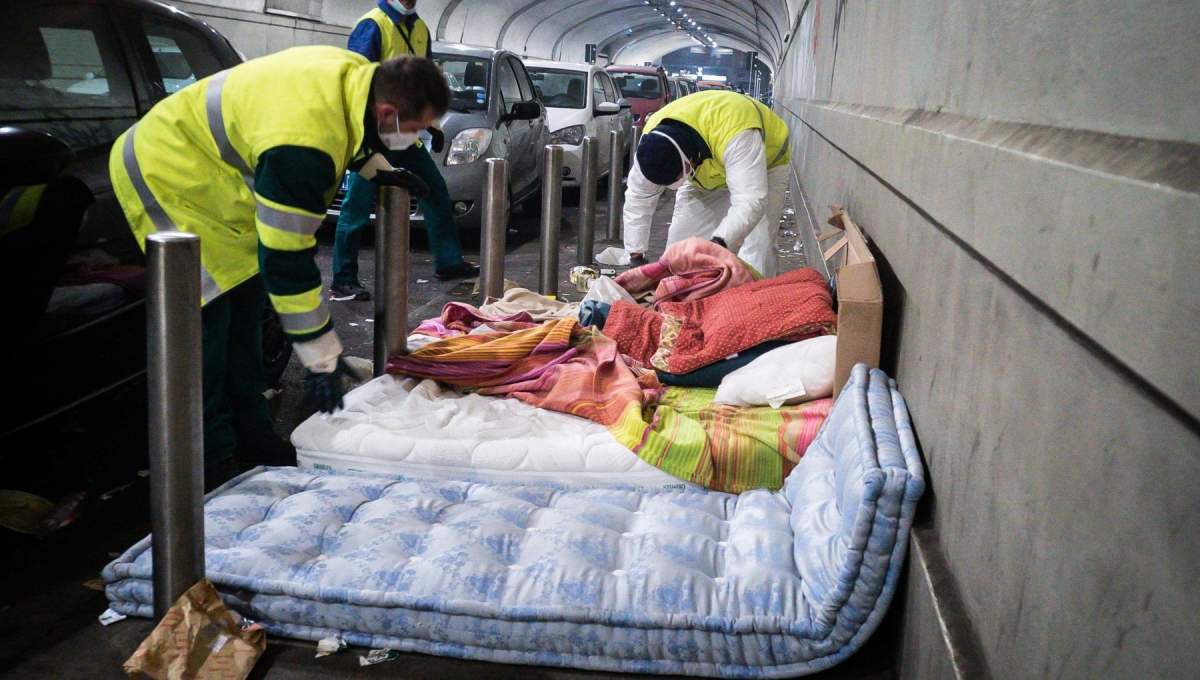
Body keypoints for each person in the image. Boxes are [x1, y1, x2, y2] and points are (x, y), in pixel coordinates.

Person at [108, 47, 449, 488]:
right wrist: (321, 356)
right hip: (171, 175)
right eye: (416, 129)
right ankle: (205, 465)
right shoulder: (303, 147)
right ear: (388, 112)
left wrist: (376, 167)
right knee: (206, 329)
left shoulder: (356, 78)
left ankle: (254, 437)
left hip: (219, 180)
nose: (416, 140)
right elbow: (288, 262)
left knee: (246, 312)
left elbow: (351, 127)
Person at [331, 0, 477, 302]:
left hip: (405, 135)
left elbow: (425, 83)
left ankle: (448, 262)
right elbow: (356, 83)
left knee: (434, 189)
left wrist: (433, 125)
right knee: (356, 206)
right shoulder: (373, 25)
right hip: (375, 134)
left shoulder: (421, 28)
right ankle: (343, 279)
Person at [622, 90, 791, 277]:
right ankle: (681, 299)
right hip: (707, 175)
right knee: (679, 252)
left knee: (758, 246)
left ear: (689, 161)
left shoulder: (736, 132)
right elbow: (638, 198)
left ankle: (756, 300)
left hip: (765, 165)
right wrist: (635, 255)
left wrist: (717, 245)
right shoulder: (652, 144)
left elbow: (750, 201)